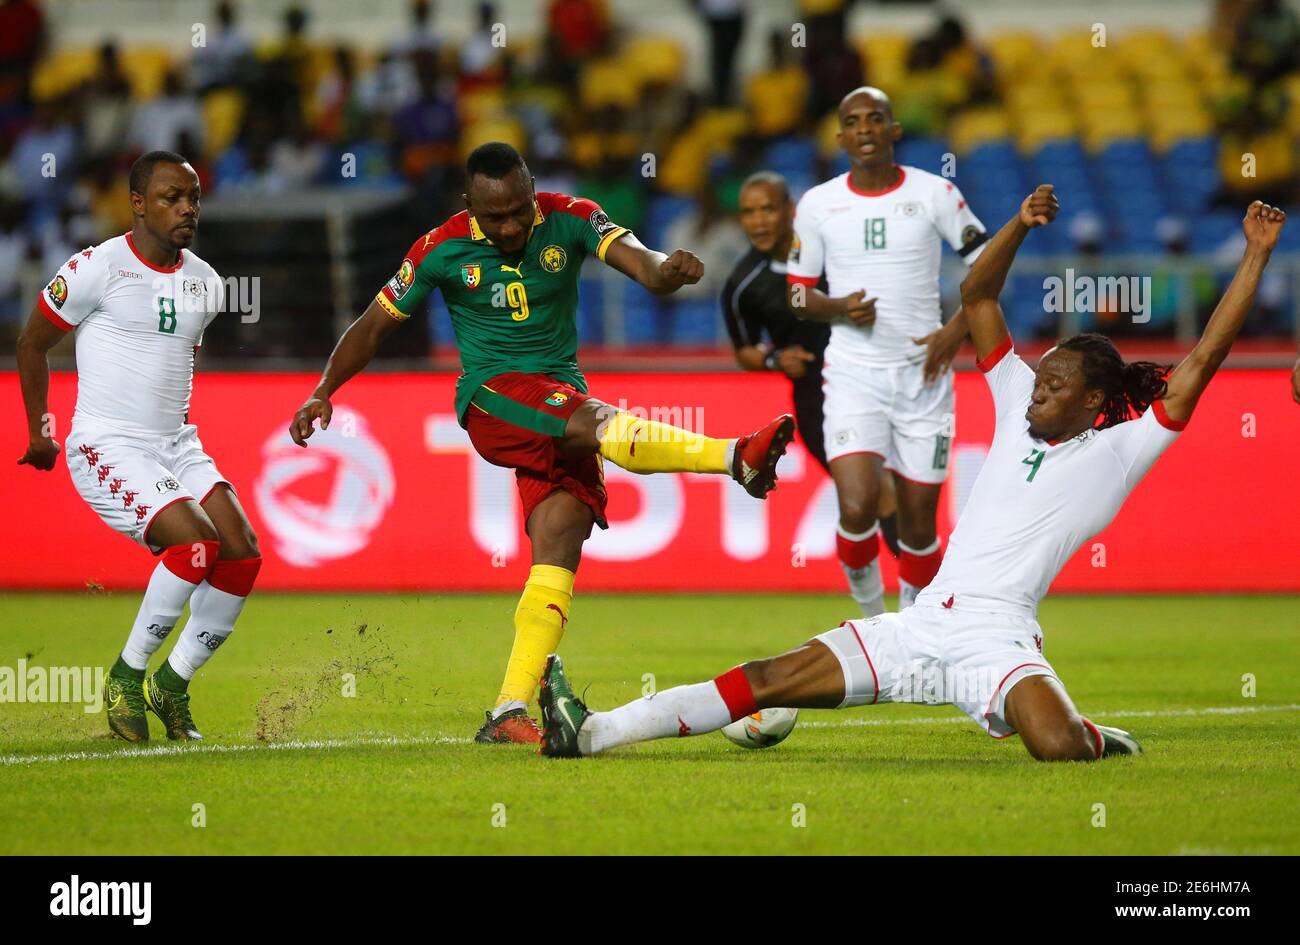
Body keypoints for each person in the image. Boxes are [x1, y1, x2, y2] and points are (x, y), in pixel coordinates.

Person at [535, 189, 1287, 762]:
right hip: (924, 622)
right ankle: (591, 732)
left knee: (1058, 748)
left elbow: (1198, 367)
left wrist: (1254, 254)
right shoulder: (1018, 396)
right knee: (765, 677)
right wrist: (1019, 225)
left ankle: (1093, 734)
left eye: (1056, 385)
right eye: (1041, 375)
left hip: (999, 637)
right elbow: (978, 297)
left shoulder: (1119, 452)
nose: (1038, 388)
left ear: (1095, 402)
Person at [288, 142, 793, 744]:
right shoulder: (439, 248)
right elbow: (374, 325)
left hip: (559, 396)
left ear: (533, 192)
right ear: (468, 204)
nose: (509, 226)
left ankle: (507, 709)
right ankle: (735, 457)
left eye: (520, 211)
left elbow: (640, 260)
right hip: (493, 394)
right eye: (494, 216)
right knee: (600, 423)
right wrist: (324, 389)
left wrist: (666, 272)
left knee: (562, 535)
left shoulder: (572, 216)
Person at [15, 150, 261, 742]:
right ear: (137, 204)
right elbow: (30, 343)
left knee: (243, 554)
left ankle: (171, 684)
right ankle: (126, 677)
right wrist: (39, 431)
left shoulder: (206, 282)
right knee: (195, 547)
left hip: (176, 444)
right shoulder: (95, 267)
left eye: (193, 198)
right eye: (172, 198)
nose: (187, 209)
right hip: (107, 442)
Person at [786, 86, 986, 616]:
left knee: (920, 520)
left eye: (876, 119)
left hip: (925, 377)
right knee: (857, 505)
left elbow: (988, 268)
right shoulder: (818, 204)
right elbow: (798, 295)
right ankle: (875, 622)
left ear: (893, 130)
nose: (865, 129)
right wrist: (840, 308)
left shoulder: (935, 194)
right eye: (853, 121)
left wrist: (955, 331)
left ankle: (915, 629)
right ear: (841, 136)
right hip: (854, 376)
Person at [722, 170, 899, 555]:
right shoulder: (743, 285)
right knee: (866, 500)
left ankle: (927, 597)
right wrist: (774, 359)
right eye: (748, 212)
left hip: (875, 379)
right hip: (817, 401)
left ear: (790, 209)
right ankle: (916, 598)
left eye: (767, 209)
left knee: (896, 495)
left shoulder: (836, 250)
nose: (758, 221)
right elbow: (744, 351)